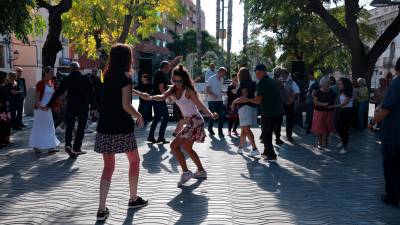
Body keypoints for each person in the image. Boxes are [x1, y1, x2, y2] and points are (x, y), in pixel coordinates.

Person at [95, 44, 148, 221]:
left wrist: (138, 92)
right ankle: (133, 198)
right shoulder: (126, 76)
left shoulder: (106, 74)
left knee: (108, 167)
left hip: (105, 125)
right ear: (127, 58)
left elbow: (116, 90)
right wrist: (139, 115)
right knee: (134, 161)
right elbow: (126, 105)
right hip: (122, 127)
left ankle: (101, 209)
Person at [149, 65, 218, 186]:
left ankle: (186, 172)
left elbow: (200, 105)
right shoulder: (173, 89)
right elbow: (162, 96)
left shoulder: (188, 91)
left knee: (174, 145)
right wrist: (149, 97)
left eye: (179, 81)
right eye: (174, 81)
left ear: (184, 80)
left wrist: (211, 115)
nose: (177, 83)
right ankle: (201, 171)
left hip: (195, 121)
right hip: (190, 121)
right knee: (187, 148)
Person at [46, 62, 96, 158]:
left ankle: (68, 145)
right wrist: (94, 107)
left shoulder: (67, 78)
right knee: (81, 127)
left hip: (71, 105)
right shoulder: (86, 78)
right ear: (78, 68)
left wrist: (49, 104)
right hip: (83, 106)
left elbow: (58, 92)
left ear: (70, 69)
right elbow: (91, 93)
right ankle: (77, 148)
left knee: (70, 126)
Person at [235, 64, 283, 162]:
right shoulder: (272, 81)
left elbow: (257, 100)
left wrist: (247, 99)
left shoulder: (262, 83)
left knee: (266, 134)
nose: (255, 75)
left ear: (261, 71)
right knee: (266, 132)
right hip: (277, 112)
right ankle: (266, 152)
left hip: (268, 112)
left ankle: (272, 155)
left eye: (256, 72)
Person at [369, 58, 400, 207]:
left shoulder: (397, 84)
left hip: (394, 135)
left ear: (396, 68)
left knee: (391, 166)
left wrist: (372, 122)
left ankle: (392, 196)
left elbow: (386, 109)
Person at [29, 67, 60, 153]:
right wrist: (41, 108)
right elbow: (37, 98)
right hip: (40, 109)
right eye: (50, 73)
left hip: (48, 109)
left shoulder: (52, 83)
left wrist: (55, 106)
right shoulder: (40, 84)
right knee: (39, 127)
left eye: (52, 73)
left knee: (50, 127)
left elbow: (53, 97)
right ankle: (36, 145)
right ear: (45, 73)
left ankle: (51, 146)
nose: (52, 75)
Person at [232, 67, 259, 156]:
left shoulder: (243, 83)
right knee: (244, 129)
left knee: (246, 129)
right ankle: (240, 148)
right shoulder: (253, 83)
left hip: (245, 108)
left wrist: (234, 102)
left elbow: (244, 97)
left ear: (240, 74)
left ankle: (255, 149)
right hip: (253, 107)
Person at [148, 61, 172, 144]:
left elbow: (161, 86)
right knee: (166, 117)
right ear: (164, 67)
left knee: (157, 117)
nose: (169, 69)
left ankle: (151, 136)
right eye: (168, 67)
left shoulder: (157, 73)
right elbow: (161, 88)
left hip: (155, 98)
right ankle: (161, 137)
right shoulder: (161, 74)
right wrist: (168, 96)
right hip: (159, 99)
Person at [311, 76, 337, 150]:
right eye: (327, 83)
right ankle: (319, 142)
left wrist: (333, 106)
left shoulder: (332, 92)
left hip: (329, 112)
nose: (329, 84)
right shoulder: (317, 92)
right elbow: (315, 101)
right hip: (319, 112)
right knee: (319, 128)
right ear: (322, 84)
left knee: (328, 127)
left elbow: (335, 102)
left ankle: (325, 140)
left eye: (329, 83)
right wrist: (323, 104)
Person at [330, 77, 353, 154]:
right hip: (341, 110)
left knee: (344, 129)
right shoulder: (341, 91)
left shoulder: (349, 92)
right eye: (338, 83)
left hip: (347, 111)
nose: (338, 85)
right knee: (338, 127)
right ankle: (342, 140)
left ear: (345, 84)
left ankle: (344, 147)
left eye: (340, 84)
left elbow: (344, 103)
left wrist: (333, 106)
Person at [280, 68, 300, 141]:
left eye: (283, 74)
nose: (282, 75)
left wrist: (292, 98)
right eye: (281, 74)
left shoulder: (292, 82)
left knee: (289, 119)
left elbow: (297, 92)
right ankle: (277, 136)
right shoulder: (279, 82)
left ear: (287, 74)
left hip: (289, 103)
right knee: (278, 119)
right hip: (280, 103)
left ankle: (289, 135)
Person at [206, 66, 227, 136]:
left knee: (221, 116)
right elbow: (207, 90)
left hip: (220, 100)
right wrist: (214, 95)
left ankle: (220, 131)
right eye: (223, 74)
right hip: (212, 101)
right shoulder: (211, 79)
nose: (223, 75)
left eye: (224, 74)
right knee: (213, 116)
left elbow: (220, 89)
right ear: (219, 72)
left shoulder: (221, 79)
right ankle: (210, 128)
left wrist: (225, 92)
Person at [0, 71, 12, 148]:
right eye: (4, 77)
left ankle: (6, 139)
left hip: (6, 108)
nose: (6, 78)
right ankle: (0, 141)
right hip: (1, 109)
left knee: (6, 124)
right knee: (1, 124)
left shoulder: (5, 85)